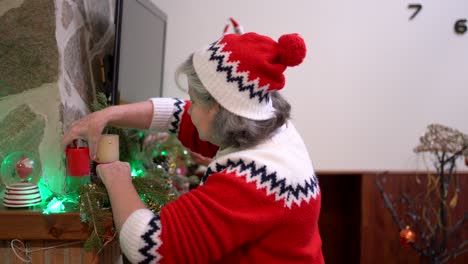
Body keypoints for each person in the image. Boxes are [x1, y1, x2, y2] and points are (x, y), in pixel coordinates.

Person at [62, 30, 323, 263]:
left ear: (219, 108)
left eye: (195, 101)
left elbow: (148, 246)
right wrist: (110, 114)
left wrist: (118, 179)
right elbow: (180, 115)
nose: (189, 108)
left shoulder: (254, 179)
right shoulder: (270, 127)